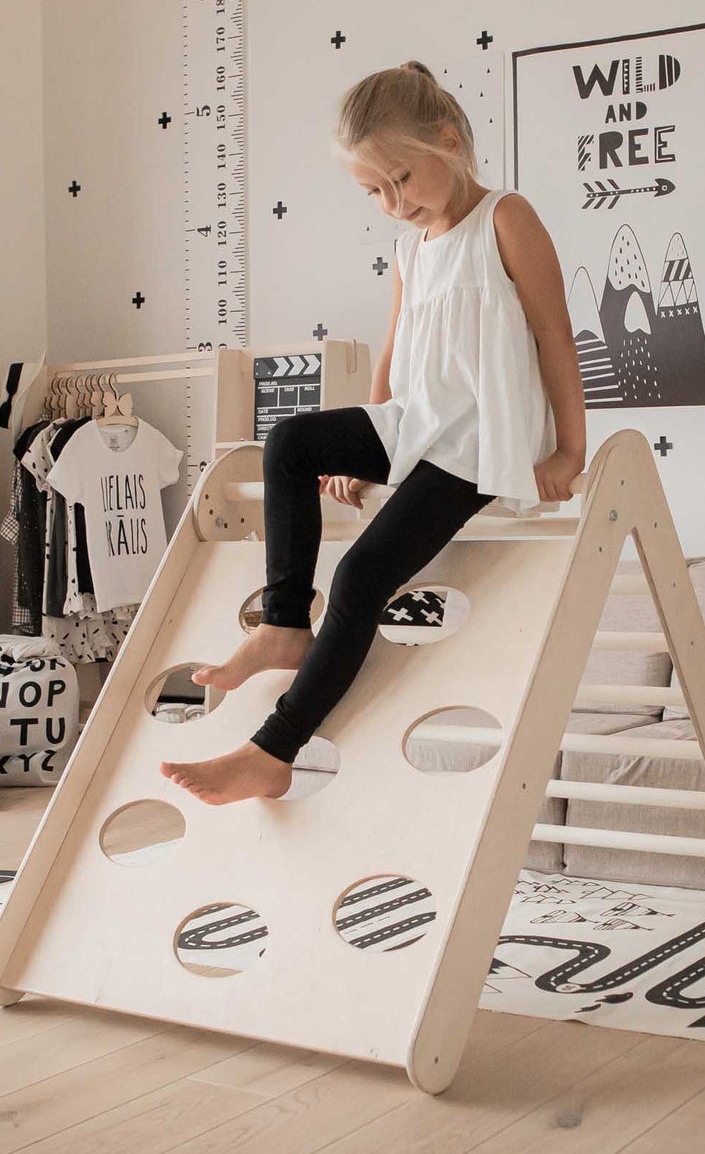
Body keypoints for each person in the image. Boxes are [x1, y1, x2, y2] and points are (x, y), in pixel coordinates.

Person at [161, 61, 586, 805]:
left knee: (360, 578)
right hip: (418, 423)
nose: (392, 203)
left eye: (402, 180)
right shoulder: (410, 246)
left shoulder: (505, 219)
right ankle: (285, 621)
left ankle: (274, 748)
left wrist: (568, 451)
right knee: (291, 441)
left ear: (449, 143)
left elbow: (554, 333)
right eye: (373, 191)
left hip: (481, 441)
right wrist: (369, 445)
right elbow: (395, 346)